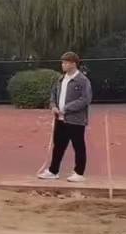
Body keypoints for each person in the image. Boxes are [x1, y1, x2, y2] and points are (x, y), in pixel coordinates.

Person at [38, 52, 93, 183]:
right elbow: (53, 93)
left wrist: (66, 108)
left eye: (65, 63)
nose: (62, 65)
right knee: (58, 145)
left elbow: (85, 99)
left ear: (73, 64)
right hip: (60, 119)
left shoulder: (82, 80)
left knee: (78, 145)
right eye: (62, 62)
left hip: (76, 120)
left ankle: (79, 173)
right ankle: (53, 171)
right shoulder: (61, 79)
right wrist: (53, 106)